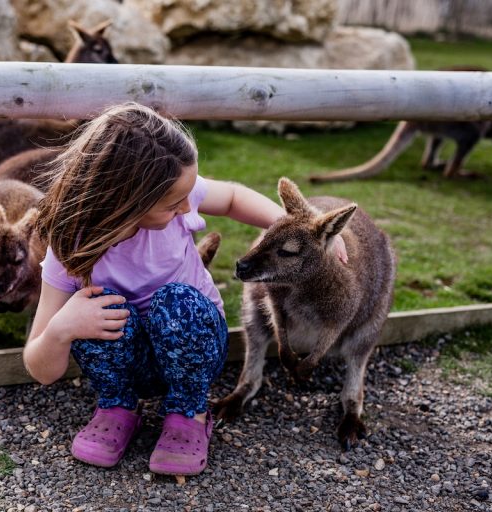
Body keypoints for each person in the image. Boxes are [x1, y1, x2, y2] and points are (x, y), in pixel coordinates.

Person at [23, 102, 347, 476]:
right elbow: (39, 367)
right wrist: (64, 328)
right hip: (132, 364)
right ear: (127, 202)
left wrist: (306, 231)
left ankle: (188, 411)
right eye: (173, 204)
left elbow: (233, 198)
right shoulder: (72, 249)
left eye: (187, 197)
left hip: (193, 347)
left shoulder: (181, 192)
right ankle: (118, 408)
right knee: (90, 308)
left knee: (175, 302)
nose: (187, 209)